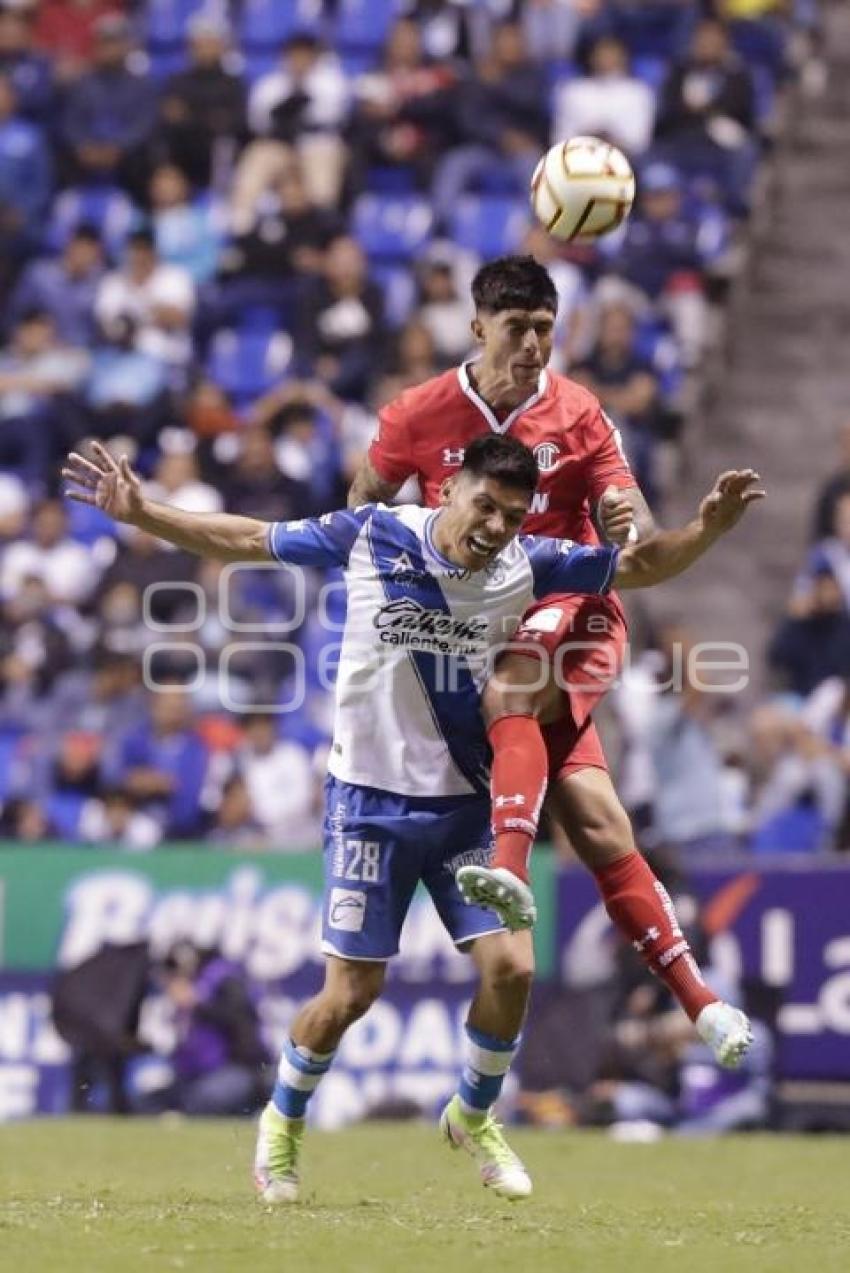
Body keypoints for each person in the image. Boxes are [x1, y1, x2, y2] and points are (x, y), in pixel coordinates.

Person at [63, 433, 762, 1203]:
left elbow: (640, 564)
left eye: (511, 514)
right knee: (349, 997)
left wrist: (709, 529)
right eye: (485, 506)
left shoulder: (525, 562)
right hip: (369, 802)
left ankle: (473, 1111)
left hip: (465, 800)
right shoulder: (376, 532)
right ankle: (282, 1122)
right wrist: (142, 512)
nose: (494, 526)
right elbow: (246, 539)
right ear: (450, 490)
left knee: (514, 969)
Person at [347, 254, 751, 1060]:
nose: (533, 344)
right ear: (478, 328)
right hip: (472, 629)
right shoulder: (417, 416)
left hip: (576, 618)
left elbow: (625, 513)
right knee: (601, 826)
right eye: (517, 328)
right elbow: (362, 500)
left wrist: (631, 521)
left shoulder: (579, 414)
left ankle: (508, 871)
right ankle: (702, 1002)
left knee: (513, 688)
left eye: (544, 328)